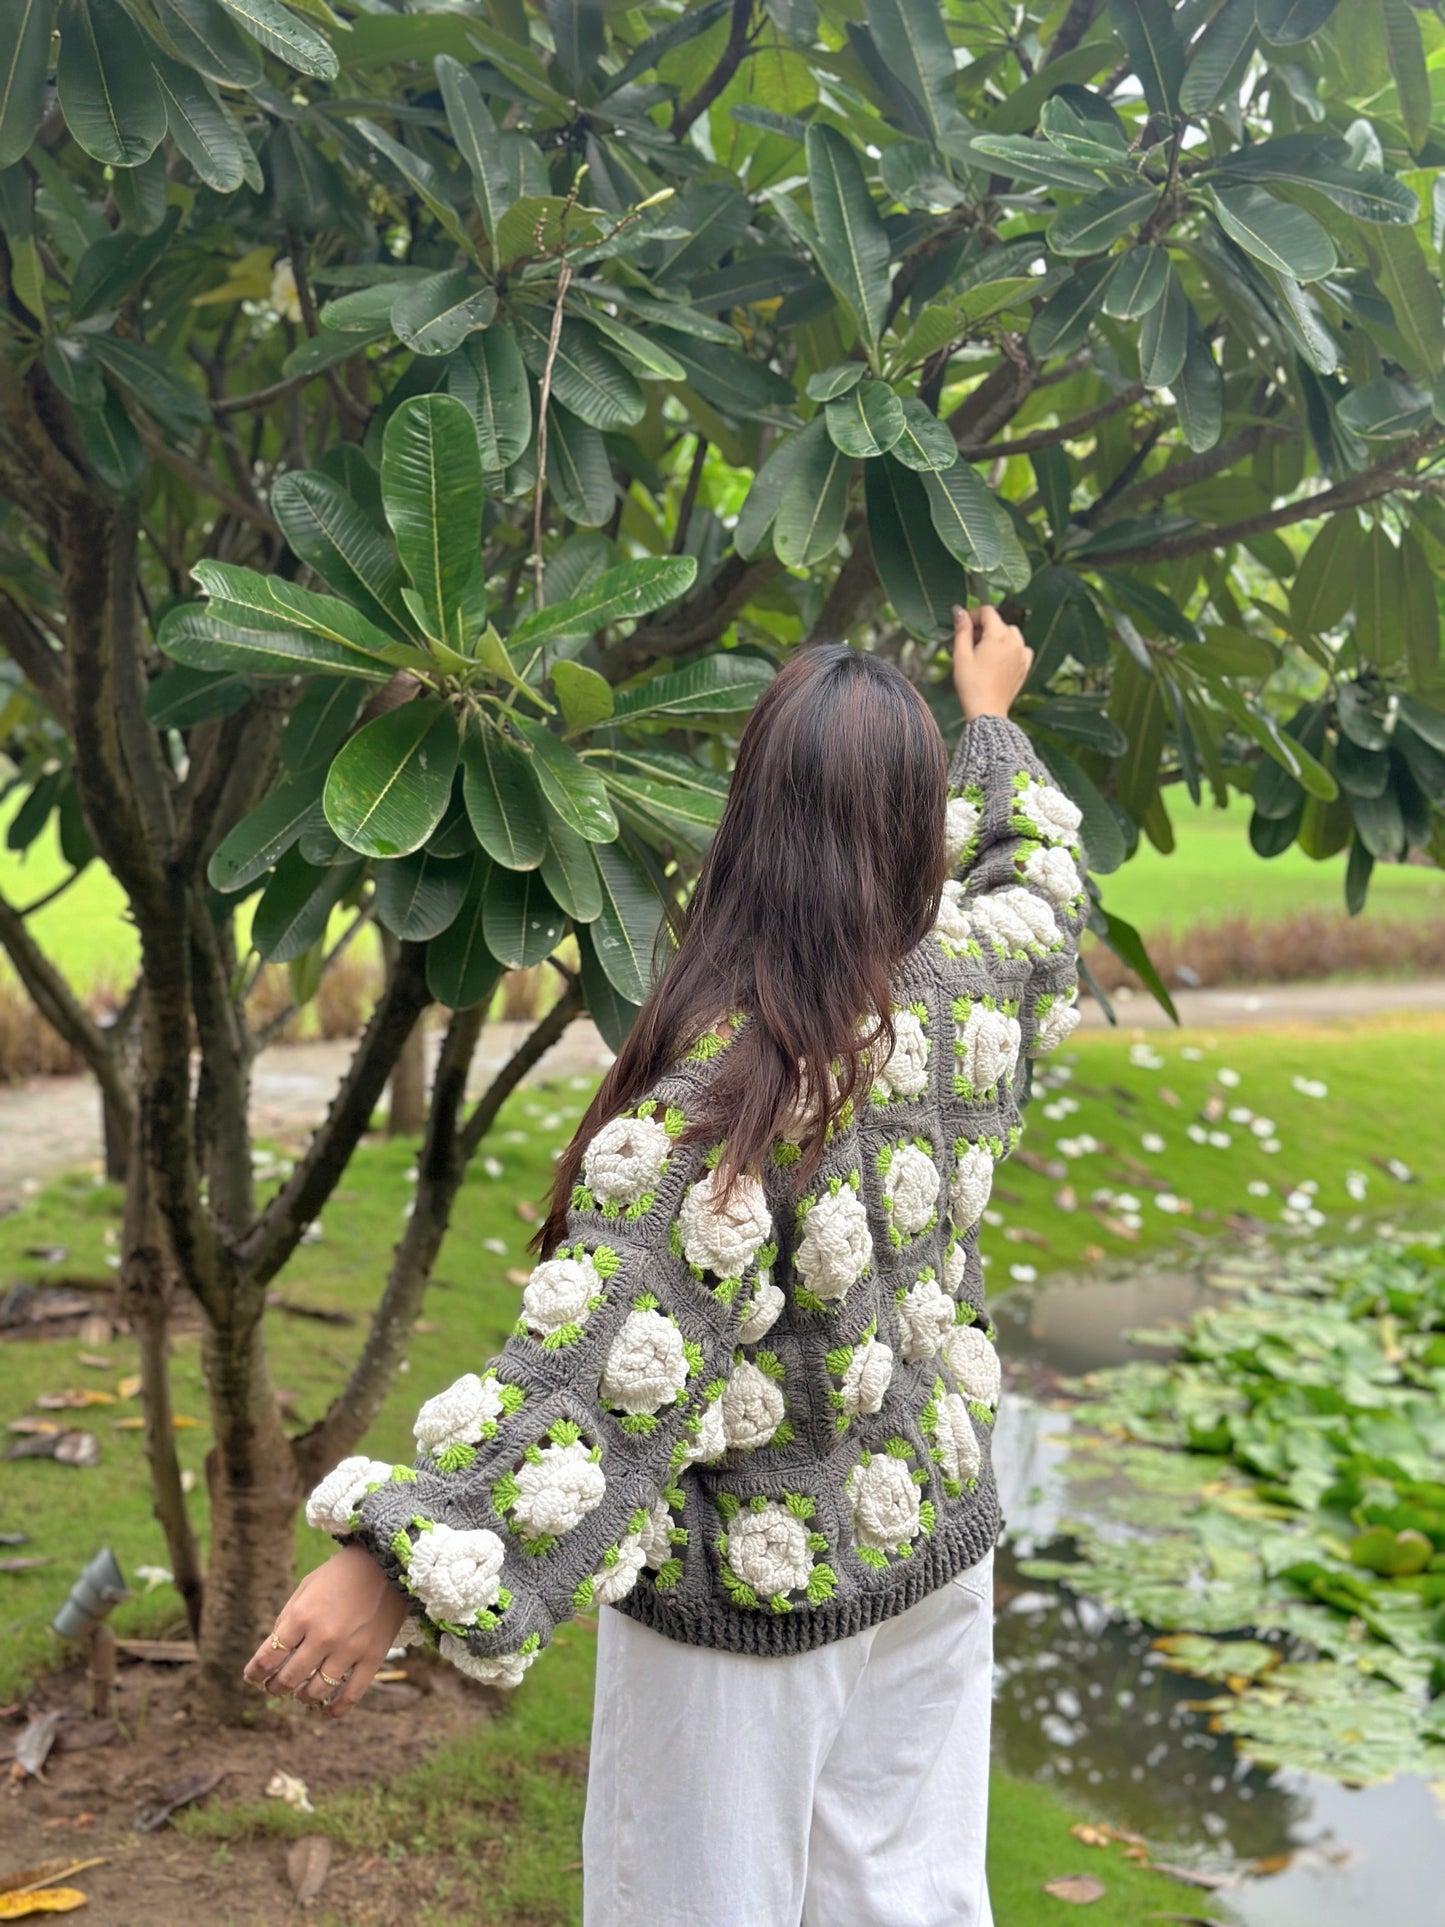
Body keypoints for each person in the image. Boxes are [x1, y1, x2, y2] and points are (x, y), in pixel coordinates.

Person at [244, 605, 1087, 1926]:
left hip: (749, 1627)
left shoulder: (737, 1087)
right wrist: (989, 723)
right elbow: (1039, 885)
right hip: (931, 1548)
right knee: (908, 1900)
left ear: (749, 816)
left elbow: (608, 1360)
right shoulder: (966, 978)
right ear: (914, 827)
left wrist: (404, 1558)